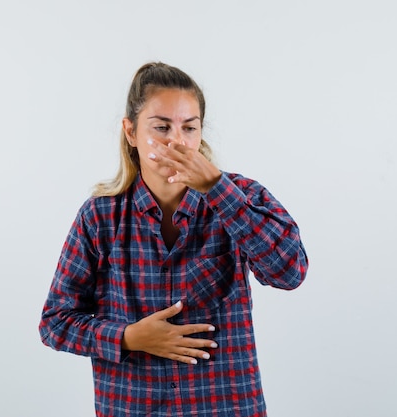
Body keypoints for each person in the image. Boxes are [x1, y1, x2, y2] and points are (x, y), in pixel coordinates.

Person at [38, 61, 308, 417]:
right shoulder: (100, 216)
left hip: (224, 405)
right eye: (161, 127)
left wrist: (217, 190)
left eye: (189, 128)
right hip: (133, 406)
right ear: (131, 132)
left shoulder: (242, 196)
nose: (177, 141)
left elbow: (290, 273)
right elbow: (55, 322)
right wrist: (129, 338)